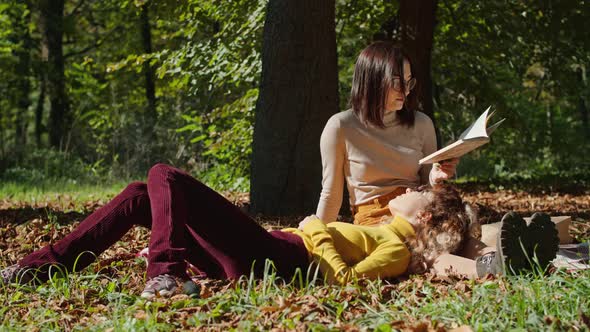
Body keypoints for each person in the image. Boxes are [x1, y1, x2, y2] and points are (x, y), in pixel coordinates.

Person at [1, 164, 503, 299]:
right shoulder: (386, 227)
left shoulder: (395, 247)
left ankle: (166, 270)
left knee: (165, 176)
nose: (409, 187)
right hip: (263, 254)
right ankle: (33, 270)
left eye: (418, 191)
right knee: (139, 195)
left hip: (278, 257)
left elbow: (343, 284)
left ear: (426, 216)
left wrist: (316, 230)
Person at [316, 41, 459, 226]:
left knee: (462, 233)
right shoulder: (340, 126)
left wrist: (436, 178)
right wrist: (315, 239)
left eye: (409, 82)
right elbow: (331, 196)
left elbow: (429, 187)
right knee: (422, 249)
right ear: (372, 80)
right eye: (397, 82)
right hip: (374, 221)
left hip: (418, 212)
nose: (406, 91)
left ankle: (489, 254)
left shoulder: (422, 124)